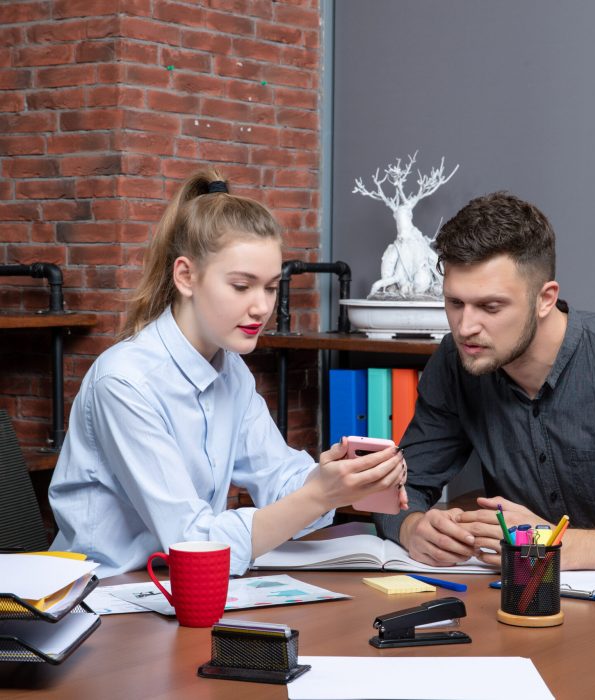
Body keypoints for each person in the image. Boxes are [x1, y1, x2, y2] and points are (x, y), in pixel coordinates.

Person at [49, 168, 407, 577]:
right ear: (186, 276)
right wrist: (319, 494)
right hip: (107, 597)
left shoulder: (231, 371)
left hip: (178, 592)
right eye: (242, 286)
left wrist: (335, 475)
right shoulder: (125, 382)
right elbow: (192, 543)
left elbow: (278, 476)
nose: (261, 307)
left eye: (271, 287)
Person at [373, 191, 595, 571]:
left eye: (490, 307)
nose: (466, 327)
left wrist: (546, 544)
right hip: (517, 601)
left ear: (545, 298)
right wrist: (413, 528)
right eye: (455, 303)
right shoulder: (455, 360)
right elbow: (401, 487)